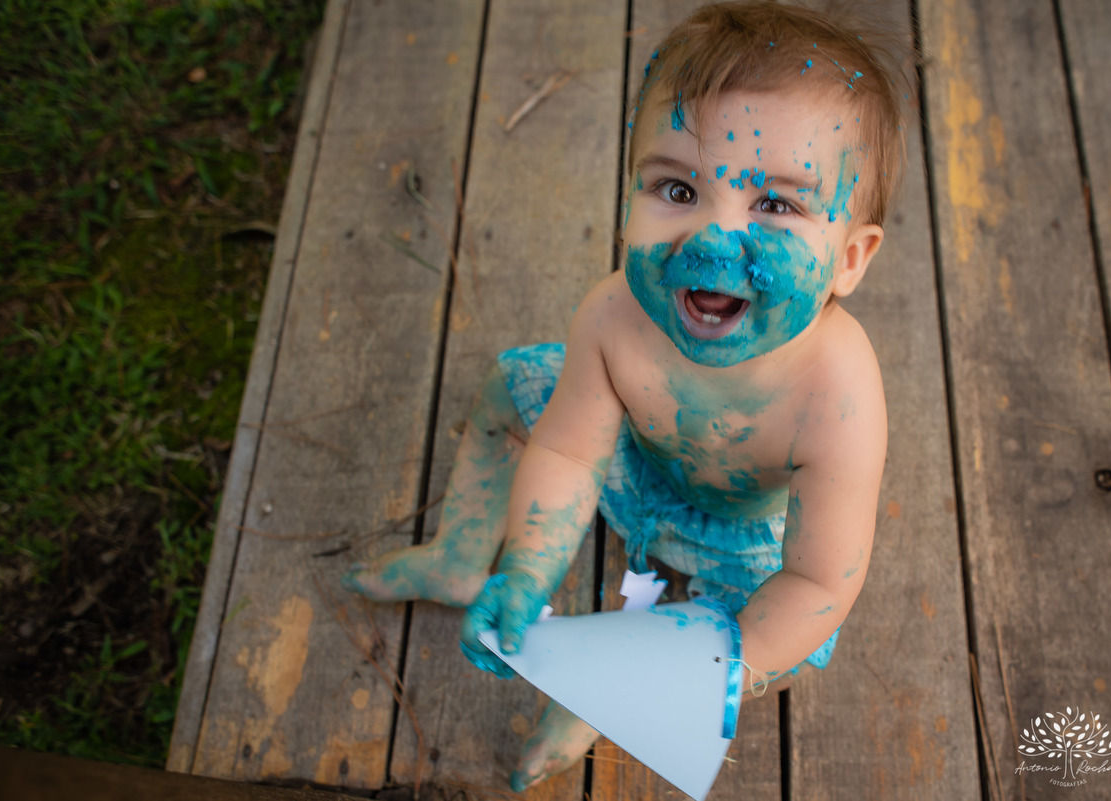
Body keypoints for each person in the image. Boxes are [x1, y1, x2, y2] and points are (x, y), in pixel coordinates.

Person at [345, 0, 908, 791]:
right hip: (633, 468)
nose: (711, 238)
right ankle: (465, 556)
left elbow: (818, 581)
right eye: (677, 189)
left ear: (851, 257)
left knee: (794, 645)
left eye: (775, 205)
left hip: (741, 536)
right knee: (513, 387)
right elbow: (572, 449)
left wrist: (706, 671)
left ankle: (610, 687)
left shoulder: (838, 394)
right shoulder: (617, 313)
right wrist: (533, 567)